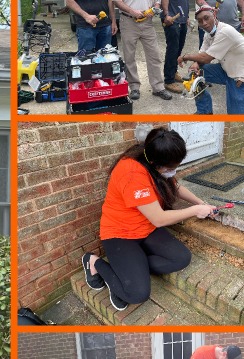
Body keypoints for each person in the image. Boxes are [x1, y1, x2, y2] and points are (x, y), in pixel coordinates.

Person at [82, 128, 216, 311]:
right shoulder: (132, 174)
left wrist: (202, 203)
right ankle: (94, 262)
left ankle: (129, 272)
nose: (173, 172)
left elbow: (174, 187)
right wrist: (195, 210)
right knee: (137, 294)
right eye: (170, 168)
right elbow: (159, 219)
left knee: (181, 258)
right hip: (120, 234)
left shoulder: (154, 159)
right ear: (154, 162)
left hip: (146, 228)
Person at [180, 6, 244, 115]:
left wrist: (184, 57)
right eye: (200, 21)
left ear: (214, 16)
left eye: (206, 18)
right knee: (194, 74)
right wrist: (195, 64)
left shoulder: (225, 32)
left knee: (236, 121)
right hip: (228, 72)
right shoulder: (208, 34)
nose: (204, 23)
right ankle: (204, 112)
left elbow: (206, 58)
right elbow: (202, 56)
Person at [112, 0, 173, 102]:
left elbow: (157, 1)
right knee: (129, 56)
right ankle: (134, 87)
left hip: (147, 23)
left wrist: (154, 9)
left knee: (154, 56)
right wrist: (133, 11)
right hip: (128, 21)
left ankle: (158, 87)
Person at [161, 0, 193, 94]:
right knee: (172, 49)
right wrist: (167, 14)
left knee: (178, 49)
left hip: (181, 20)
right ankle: (168, 81)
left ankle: (173, 73)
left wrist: (186, 17)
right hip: (171, 19)